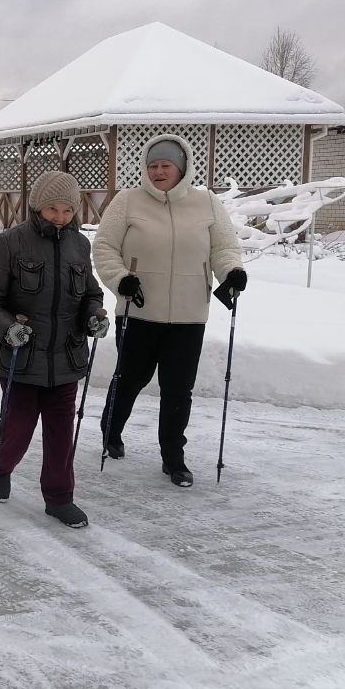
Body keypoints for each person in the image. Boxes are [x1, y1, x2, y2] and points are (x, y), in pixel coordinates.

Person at [94, 134, 246, 488]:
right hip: (137, 309)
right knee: (130, 379)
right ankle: (111, 431)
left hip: (189, 315)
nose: (159, 172)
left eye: (166, 165)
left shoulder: (206, 202)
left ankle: (173, 457)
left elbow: (224, 248)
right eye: (153, 166)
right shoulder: (128, 200)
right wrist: (120, 279)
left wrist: (232, 272)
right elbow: (104, 247)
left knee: (178, 389)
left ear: (182, 168)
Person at [0, 171, 106, 528]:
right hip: (22, 359)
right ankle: (0, 467)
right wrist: (9, 328)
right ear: (37, 207)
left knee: (62, 435)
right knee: (17, 430)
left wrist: (94, 316)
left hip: (66, 357)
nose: (60, 217)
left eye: (68, 210)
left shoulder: (80, 245)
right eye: (52, 209)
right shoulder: (11, 242)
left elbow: (91, 293)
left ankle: (60, 498)